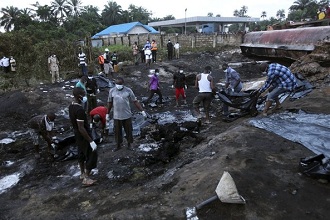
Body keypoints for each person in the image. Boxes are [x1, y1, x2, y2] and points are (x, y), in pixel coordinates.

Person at [107, 77, 146, 150]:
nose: (118, 85)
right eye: (117, 84)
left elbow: (135, 101)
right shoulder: (112, 91)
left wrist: (142, 111)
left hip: (127, 115)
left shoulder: (128, 90)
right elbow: (110, 102)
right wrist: (107, 113)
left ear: (123, 84)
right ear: (115, 84)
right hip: (117, 116)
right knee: (117, 131)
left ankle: (129, 144)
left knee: (129, 130)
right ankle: (118, 145)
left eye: (120, 84)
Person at [69, 87, 98, 186]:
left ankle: (82, 173)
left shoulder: (71, 106)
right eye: (84, 94)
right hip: (83, 134)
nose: (85, 96)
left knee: (81, 153)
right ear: (79, 96)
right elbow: (81, 128)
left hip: (77, 134)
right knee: (92, 153)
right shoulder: (79, 110)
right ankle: (86, 178)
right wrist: (91, 141)